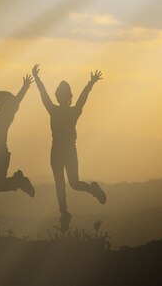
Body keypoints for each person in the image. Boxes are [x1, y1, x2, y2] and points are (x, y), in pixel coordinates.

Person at [31, 64, 106, 231]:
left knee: (64, 184)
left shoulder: (55, 110)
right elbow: (82, 98)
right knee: (73, 183)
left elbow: (44, 97)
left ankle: (65, 213)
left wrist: (37, 79)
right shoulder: (73, 111)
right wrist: (90, 83)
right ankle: (68, 211)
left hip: (58, 150)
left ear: (58, 96)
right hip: (66, 150)